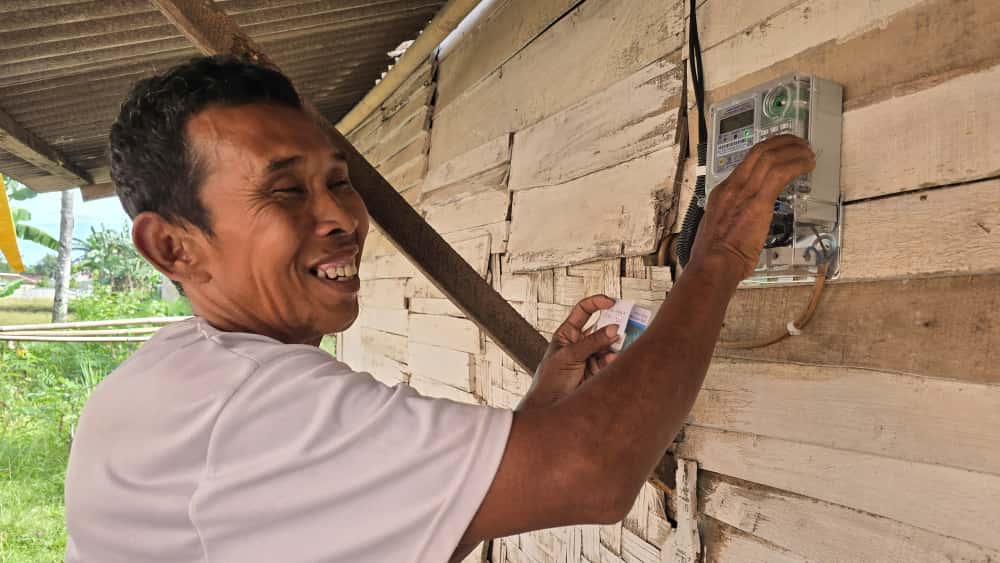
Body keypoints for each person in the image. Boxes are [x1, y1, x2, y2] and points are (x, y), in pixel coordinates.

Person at [64, 56, 815, 562]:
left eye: (340, 180)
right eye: (286, 190)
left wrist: (540, 406)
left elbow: (387, 529)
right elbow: (595, 470)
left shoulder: (173, 379)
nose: (341, 217)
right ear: (172, 247)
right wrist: (717, 257)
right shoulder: (246, 403)